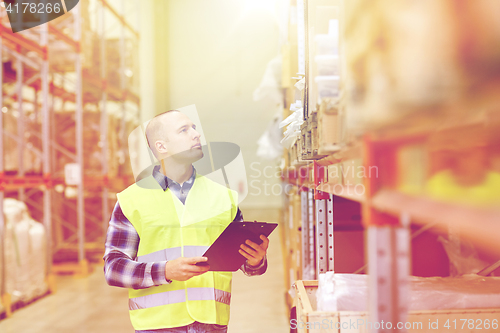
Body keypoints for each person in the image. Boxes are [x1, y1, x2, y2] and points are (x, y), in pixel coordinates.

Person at [103, 110, 269, 333]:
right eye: (184, 130)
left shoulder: (224, 197)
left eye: (194, 128)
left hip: (212, 324)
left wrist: (256, 260)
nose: (196, 134)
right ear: (162, 147)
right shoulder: (131, 200)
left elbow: (240, 261)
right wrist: (165, 271)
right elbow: (113, 268)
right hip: (158, 325)